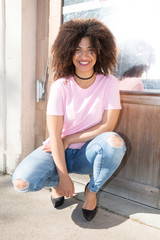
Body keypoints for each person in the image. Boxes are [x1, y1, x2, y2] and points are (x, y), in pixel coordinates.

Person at [12, 18, 126, 221]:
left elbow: (107, 125)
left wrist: (70, 139)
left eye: (91, 49)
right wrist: (63, 178)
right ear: (68, 52)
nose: (84, 56)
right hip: (58, 149)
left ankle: (92, 191)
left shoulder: (109, 83)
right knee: (23, 182)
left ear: (100, 51)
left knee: (114, 143)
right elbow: (54, 135)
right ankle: (55, 183)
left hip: (87, 153)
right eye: (77, 49)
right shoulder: (60, 86)